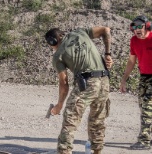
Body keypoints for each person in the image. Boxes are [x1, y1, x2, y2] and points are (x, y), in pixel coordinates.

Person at [45, 26, 113, 154]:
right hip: (104, 81)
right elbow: (106, 30)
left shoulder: (58, 56)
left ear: (52, 41)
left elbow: (64, 84)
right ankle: (97, 151)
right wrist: (108, 54)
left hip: (88, 83)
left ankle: (64, 151)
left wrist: (59, 105)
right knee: (97, 120)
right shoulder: (80, 32)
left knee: (70, 118)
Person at [120, 15, 152, 150]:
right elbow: (132, 61)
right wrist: (124, 79)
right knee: (143, 106)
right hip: (144, 77)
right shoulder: (134, 41)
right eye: (134, 27)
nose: (137, 29)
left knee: (147, 108)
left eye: (140, 26)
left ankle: (144, 141)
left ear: (147, 26)